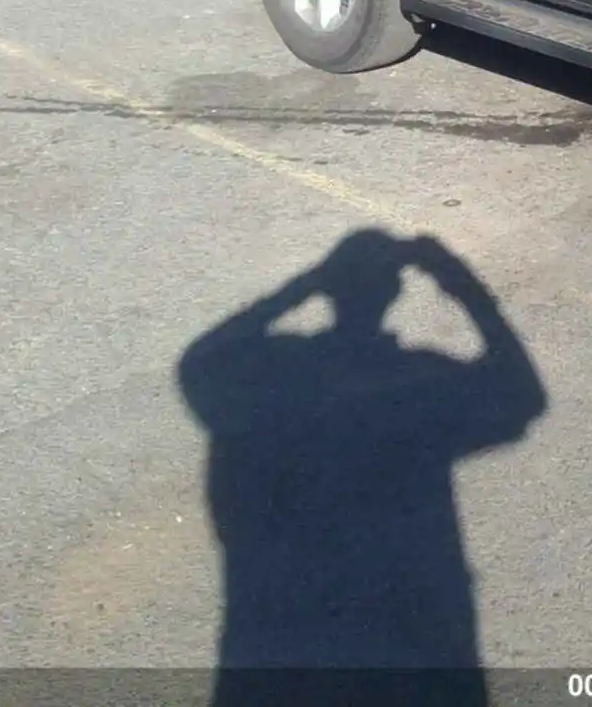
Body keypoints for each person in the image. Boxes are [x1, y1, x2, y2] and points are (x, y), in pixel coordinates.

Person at [177, 228, 547, 706]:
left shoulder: (276, 373)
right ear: (395, 294)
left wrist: (302, 285)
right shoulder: (419, 383)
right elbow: (523, 395)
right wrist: (462, 284)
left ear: (330, 288)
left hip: (281, 647)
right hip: (411, 640)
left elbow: (199, 362)